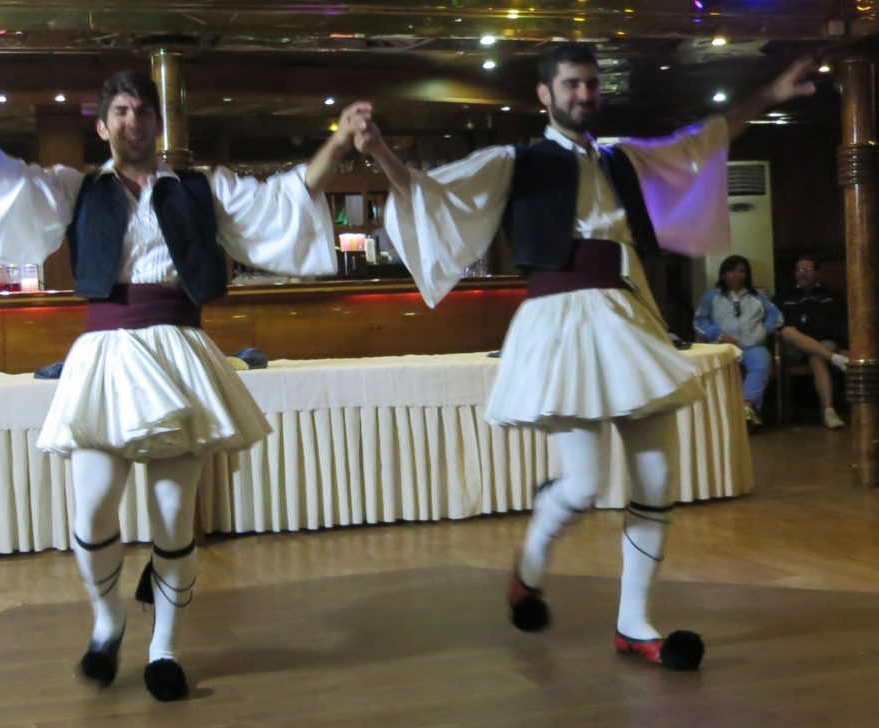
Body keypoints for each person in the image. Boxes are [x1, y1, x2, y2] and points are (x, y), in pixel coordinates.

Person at [0, 45, 369, 701]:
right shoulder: (77, 187)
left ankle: (165, 648)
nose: (132, 121)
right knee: (91, 508)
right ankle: (108, 618)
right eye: (120, 111)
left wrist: (341, 141)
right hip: (104, 355)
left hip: (178, 348)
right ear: (103, 126)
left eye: (143, 111)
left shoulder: (201, 188)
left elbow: (285, 198)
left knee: (174, 514)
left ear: (157, 124)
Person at [353, 43, 815, 670]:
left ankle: (633, 623)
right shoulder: (514, 160)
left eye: (591, 84)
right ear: (544, 94)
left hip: (628, 318)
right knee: (583, 484)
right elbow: (432, 193)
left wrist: (768, 96)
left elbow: (698, 142)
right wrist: (379, 150)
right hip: (561, 323)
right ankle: (535, 555)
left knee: (656, 482)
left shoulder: (620, 157)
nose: (583, 95)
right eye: (571, 84)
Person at [694, 255, 782, 430]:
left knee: (762, 363)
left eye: (741, 271)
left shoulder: (758, 296)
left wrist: (763, 331)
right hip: (723, 348)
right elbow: (699, 321)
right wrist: (718, 335)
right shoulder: (712, 296)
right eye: (732, 271)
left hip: (752, 346)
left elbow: (777, 317)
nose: (737, 275)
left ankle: (746, 408)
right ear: (724, 274)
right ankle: (728, 416)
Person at [772, 254, 849, 428]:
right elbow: (774, 324)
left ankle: (829, 411)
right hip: (793, 348)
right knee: (788, 331)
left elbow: (842, 324)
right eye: (799, 270)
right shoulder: (783, 297)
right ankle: (835, 359)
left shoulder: (831, 297)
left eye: (807, 270)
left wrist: (843, 346)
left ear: (817, 273)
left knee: (817, 358)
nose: (803, 274)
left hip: (824, 344)